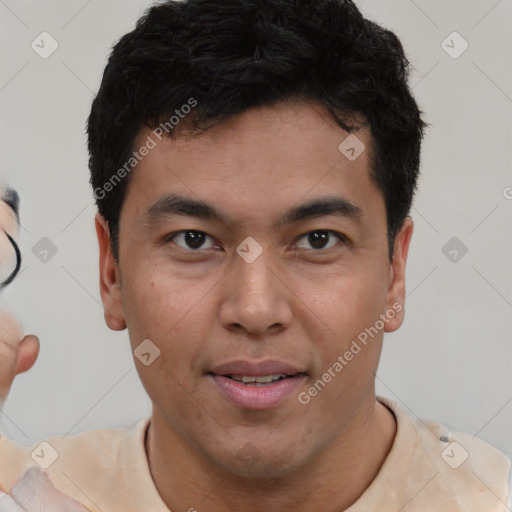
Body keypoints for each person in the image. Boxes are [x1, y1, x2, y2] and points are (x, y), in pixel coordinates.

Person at [0, 0, 510, 510]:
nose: (255, 310)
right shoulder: (25, 496)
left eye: (318, 240)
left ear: (394, 273)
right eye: (193, 240)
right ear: (111, 273)